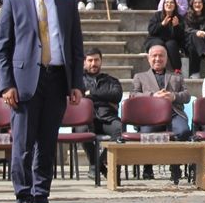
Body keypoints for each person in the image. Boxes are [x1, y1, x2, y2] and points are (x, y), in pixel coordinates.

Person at [0, 0, 85, 203]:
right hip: (24, 83)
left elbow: (75, 46)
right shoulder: (13, 1)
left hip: (57, 79)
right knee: (23, 143)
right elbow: (2, 47)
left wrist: (76, 82)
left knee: (47, 143)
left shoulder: (67, 3)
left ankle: (41, 196)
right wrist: (6, 84)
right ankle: (23, 199)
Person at [130, 44, 192, 183]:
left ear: (166, 58)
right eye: (154, 56)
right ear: (148, 58)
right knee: (146, 134)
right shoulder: (140, 77)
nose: (157, 59)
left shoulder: (176, 77)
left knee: (183, 132)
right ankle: (148, 166)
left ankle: (175, 166)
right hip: (150, 116)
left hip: (173, 113)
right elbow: (133, 95)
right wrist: (152, 96)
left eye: (161, 55)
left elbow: (187, 95)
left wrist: (173, 96)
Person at [81, 48, 123, 176]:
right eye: (90, 60)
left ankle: (97, 164)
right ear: (84, 62)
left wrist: (91, 93)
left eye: (96, 60)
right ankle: (97, 166)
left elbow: (116, 95)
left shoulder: (111, 80)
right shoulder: (77, 80)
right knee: (82, 130)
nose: (94, 63)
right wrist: (105, 97)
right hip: (86, 120)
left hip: (108, 119)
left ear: (101, 61)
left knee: (120, 129)